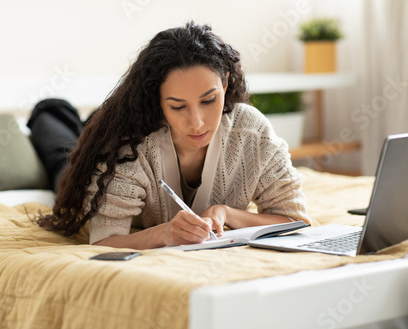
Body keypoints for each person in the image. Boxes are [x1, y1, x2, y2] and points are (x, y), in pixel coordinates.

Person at [28, 21, 310, 249]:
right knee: (62, 159)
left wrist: (227, 213)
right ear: (158, 100)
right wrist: (163, 235)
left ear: (224, 82)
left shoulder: (251, 131)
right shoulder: (128, 147)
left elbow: (294, 219)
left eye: (209, 100)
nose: (197, 123)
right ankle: (49, 111)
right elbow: (104, 240)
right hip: (90, 163)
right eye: (178, 106)